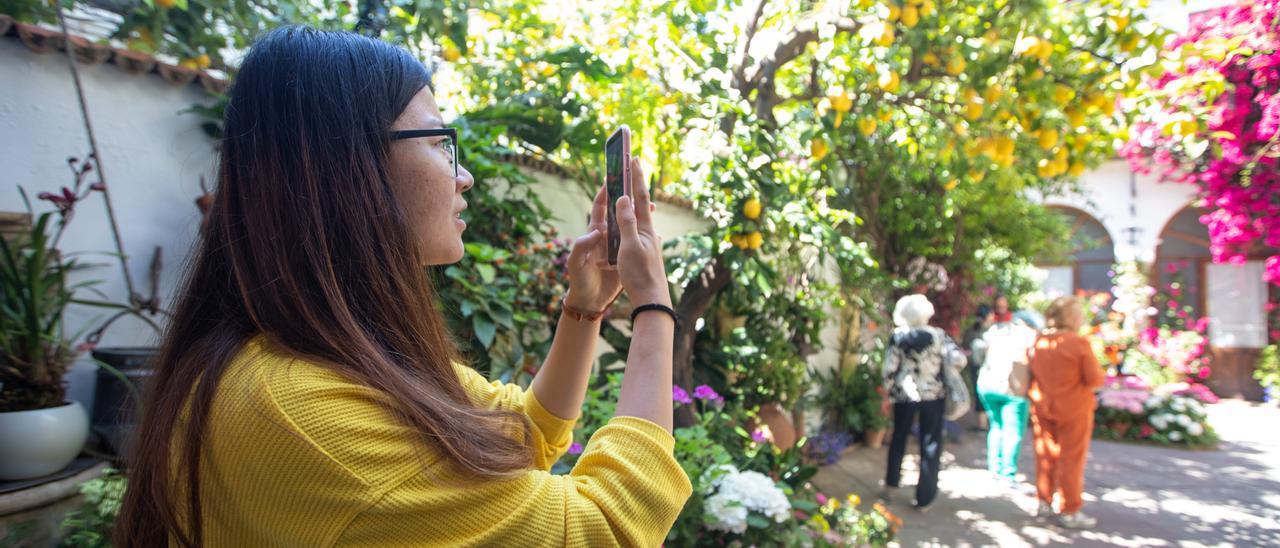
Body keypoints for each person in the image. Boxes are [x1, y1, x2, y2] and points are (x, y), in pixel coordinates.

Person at [114, 27, 691, 546]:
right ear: (350, 166)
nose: (464, 176)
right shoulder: (303, 416)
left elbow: (523, 431)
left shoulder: (317, 355)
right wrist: (654, 307)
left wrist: (584, 308)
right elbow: (605, 529)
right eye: (441, 144)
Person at [881, 294, 967, 510]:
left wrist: (886, 393)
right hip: (933, 395)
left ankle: (891, 484)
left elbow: (889, 368)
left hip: (905, 394)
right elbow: (959, 359)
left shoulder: (899, 336)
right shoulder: (939, 335)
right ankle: (925, 497)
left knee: (899, 437)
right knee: (931, 443)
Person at [1028, 296, 1106, 528]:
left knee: (1045, 455)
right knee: (1071, 459)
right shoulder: (1077, 342)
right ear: (1071, 317)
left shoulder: (1039, 341)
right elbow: (1095, 379)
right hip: (1074, 407)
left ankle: (1043, 501)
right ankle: (1070, 509)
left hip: (1043, 405)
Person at [975, 310, 1037, 489]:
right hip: (1012, 390)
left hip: (988, 385)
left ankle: (995, 469)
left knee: (996, 426)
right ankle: (1007, 474)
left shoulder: (997, 331)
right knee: (1012, 432)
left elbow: (979, 354)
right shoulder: (1029, 337)